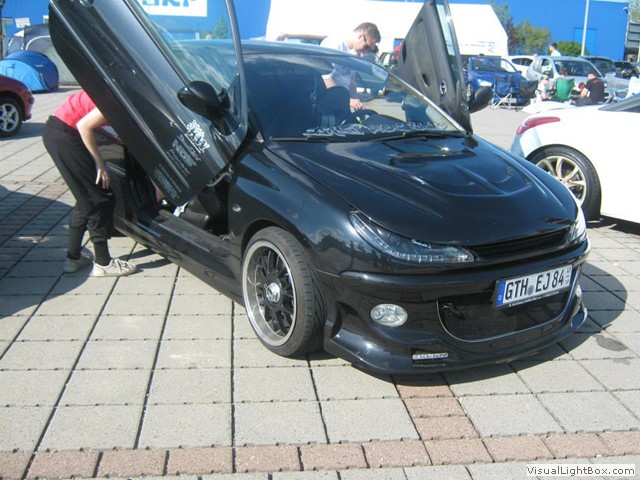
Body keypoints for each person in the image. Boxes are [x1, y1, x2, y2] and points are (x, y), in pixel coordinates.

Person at [43, 90, 137, 277]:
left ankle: (73, 258)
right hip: (66, 135)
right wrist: (99, 163)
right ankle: (103, 263)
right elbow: (84, 125)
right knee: (99, 198)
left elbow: (87, 117)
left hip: (60, 131)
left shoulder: (116, 90)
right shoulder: (117, 99)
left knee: (85, 198)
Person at [320, 22, 381, 110]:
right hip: (327, 100)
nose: (365, 51)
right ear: (360, 35)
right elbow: (325, 78)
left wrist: (355, 99)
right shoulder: (333, 45)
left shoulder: (355, 52)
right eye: (366, 47)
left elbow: (352, 80)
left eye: (369, 49)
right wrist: (346, 99)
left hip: (341, 100)